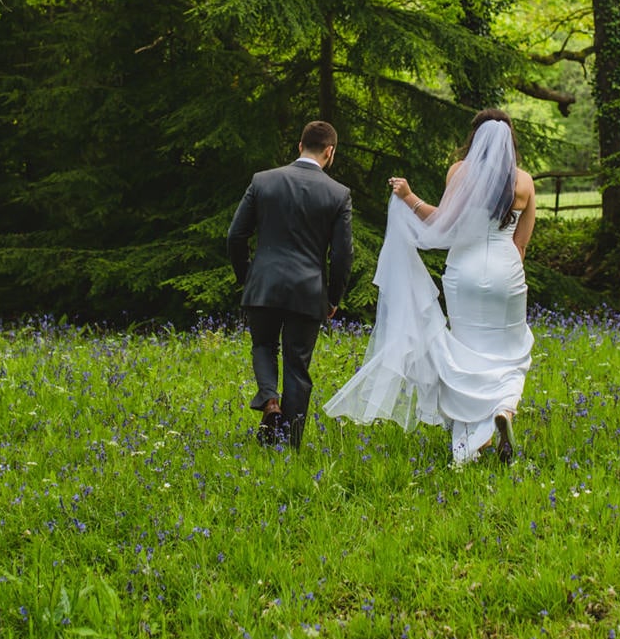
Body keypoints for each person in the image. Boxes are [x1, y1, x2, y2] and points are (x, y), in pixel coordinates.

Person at [323, 109, 537, 464]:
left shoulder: (460, 172)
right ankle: (503, 409)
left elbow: (442, 223)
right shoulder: (524, 182)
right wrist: (508, 276)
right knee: (513, 348)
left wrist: (409, 197)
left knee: (466, 349)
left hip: (463, 272)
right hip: (506, 271)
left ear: (476, 139)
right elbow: (521, 245)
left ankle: (471, 436)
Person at [227, 120, 354, 448]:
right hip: (308, 291)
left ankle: (270, 400)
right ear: (330, 152)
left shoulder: (263, 181)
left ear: (299, 146)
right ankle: (289, 444)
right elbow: (342, 255)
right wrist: (334, 297)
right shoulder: (338, 194)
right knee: (298, 365)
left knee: (263, 346)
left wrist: (248, 278)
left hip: (264, 286)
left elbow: (235, 235)